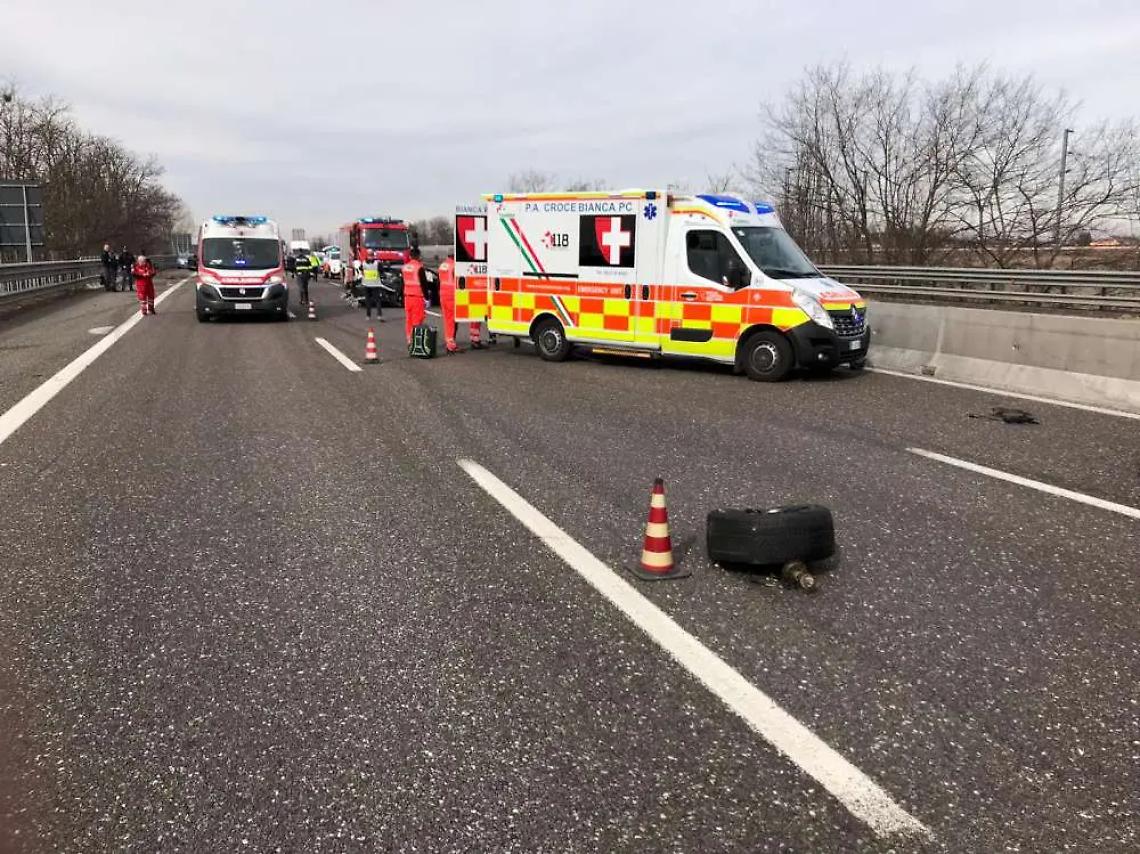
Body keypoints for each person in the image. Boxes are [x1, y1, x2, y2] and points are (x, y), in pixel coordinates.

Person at [401, 247, 429, 345]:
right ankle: (416, 341)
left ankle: (409, 339)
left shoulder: (404, 267)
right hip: (417, 297)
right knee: (417, 319)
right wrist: (427, 298)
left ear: (410, 256)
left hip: (407, 297)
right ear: (418, 256)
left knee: (409, 319)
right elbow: (424, 284)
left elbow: (403, 283)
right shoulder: (419, 268)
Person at [437, 252, 461, 353]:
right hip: (452, 295)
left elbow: (439, 281)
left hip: (443, 294)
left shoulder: (442, 265)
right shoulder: (455, 266)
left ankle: (449, 341)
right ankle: (451, 344)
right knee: (452, 320)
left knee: (447, 320)